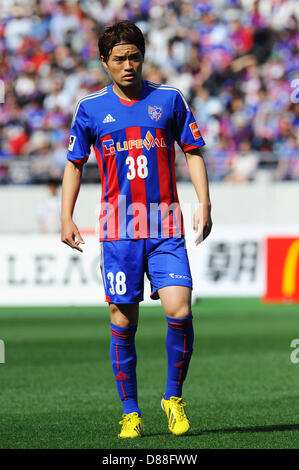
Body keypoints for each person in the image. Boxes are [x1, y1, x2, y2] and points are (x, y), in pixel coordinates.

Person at [61, 20, 212, 438]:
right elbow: (74, 165)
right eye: (119, 59)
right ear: (105, 62)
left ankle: (172, 397)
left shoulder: (169, 99)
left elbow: (193, 151)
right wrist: (66, 216)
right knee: (123, 321)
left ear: (143, 57)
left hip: (165, 226)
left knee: (179, 310)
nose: (128, 65)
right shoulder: (90, 108)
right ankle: (131, 411)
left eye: (134, 57)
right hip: (119, 231)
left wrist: (205, 201)